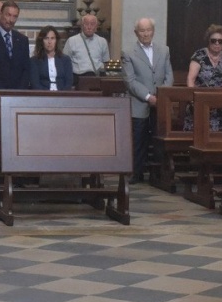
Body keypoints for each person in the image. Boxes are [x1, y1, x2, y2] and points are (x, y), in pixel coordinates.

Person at [122, 18, 172, 182]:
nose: (145, 33)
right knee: (139, 141)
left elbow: (168, 75)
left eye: (148, 30)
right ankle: (136, 173)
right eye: (142, 30)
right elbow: (130, 81)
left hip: (160, 102)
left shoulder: (164, 50)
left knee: (159, 139)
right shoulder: (128, 52)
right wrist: (149, 97)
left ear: (153, 31)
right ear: (136, 33)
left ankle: (158, 175)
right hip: (140, 102)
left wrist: (162, 94)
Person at [186, 23, 222, 132]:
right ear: (208, 41)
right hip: (201, 104)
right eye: (214, 40)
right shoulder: (199, 55)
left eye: (220, 41)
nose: (217, 43)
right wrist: (194, 100)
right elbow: (191, 79)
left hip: (221, 104)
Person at [0, 0, 32, 90]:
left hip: (18, 94)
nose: (11, 20)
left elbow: (26, 69)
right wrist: (3, 92)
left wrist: (18, 91)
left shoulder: (22, 40)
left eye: (15, 16)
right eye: (8, 15)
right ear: (0, 14)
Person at [63, 12, 110, 76]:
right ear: (82, 26)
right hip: (79, 76)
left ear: (96, 27)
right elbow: (64, 61)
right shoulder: (72, 41)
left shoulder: (102, 41)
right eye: (86, 24)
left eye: (92, 24)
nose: (89, 27)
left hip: (97, 76)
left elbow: (106, 61)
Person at [29, 25, 75, 91]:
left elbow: (68, 82)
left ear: (56, 40)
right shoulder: (34, 61)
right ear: (41, 41)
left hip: (62, 96)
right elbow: (35, 84)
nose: (49, 42)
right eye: (46, 38)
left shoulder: (65, 60)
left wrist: (61, 96)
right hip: (42, 97)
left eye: (52, 38)